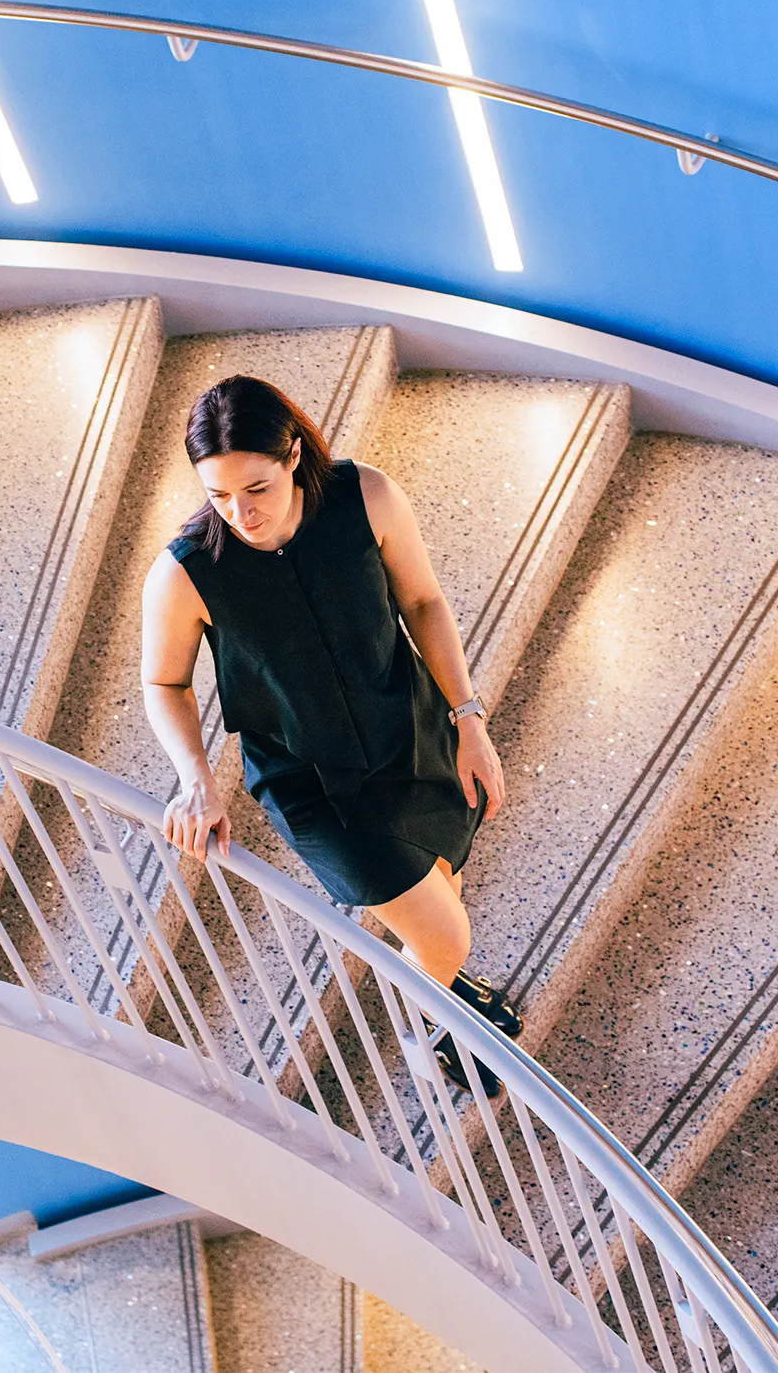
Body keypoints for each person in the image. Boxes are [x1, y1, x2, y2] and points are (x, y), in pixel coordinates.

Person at [139, 374, 521, 1094]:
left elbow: (423, 600)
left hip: (410, 729)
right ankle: (427, 1028)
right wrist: (196, 777)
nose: (238, 513)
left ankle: (434, 982)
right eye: (217, 494)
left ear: (291, 455)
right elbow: (163, 682)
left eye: (255, 487)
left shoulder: (365, 497)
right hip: (315, 784)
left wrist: (469, 718)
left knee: (441, 881)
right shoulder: (187, 571)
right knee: (448, 932)